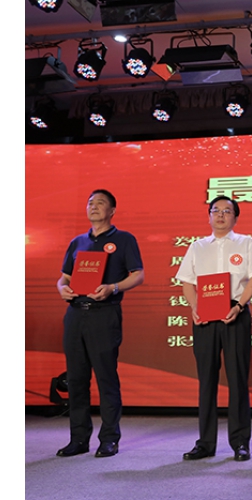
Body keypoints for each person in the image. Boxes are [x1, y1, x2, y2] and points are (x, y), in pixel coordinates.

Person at [175, 195, 252, 462]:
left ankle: (240, 442)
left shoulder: (248, 243)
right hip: (204, 317)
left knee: (238, 378)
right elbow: (187, 282)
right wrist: (194, 308)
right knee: (206, 380)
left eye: (227, 211)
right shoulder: (197, 247)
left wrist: (239, 306)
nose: (220, 215)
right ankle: (205, 443)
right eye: (215, 210)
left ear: (235, 217)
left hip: (235, 313)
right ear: (209, 216)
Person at [55, 189, 144, 458]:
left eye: (101, 203)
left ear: (112, 210)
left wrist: (113, 287)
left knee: (106, 377)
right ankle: (79, 439)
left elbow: (138, 275)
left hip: (104, 313)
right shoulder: (78, 242)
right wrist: (61, 289)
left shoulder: (124, 239)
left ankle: (109, 438)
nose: (94, 207)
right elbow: (64, 278)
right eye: (90, 203)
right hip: (75, 314)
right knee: (76, 378)